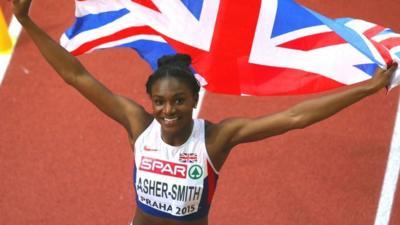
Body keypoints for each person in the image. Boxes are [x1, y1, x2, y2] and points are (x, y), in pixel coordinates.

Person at [11, 0, 398, 225]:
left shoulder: (215, 139)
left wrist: (365, 87)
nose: (168, 110)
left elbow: (295, 117)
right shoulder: (137, 125)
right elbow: (75, 76)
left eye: (178, 100)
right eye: (160, 101)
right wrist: (27, 21)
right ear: (150, 101)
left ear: (194, 99)